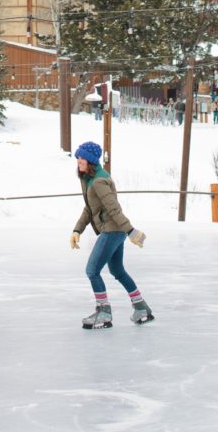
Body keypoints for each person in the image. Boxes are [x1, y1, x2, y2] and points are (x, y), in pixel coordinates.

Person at [70, 141, 154, 330]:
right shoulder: (89, 179)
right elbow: (89, 209)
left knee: (92, 271)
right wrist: (77, 230)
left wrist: (131, 231)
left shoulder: (99, 181)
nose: (78, 161)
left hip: (112, 230)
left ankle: (104, 312)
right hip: (114, 231)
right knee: (117, 270)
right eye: (77, 157)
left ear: (90, 160)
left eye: (82, 157)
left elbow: (113, 209)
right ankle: (141, 307)